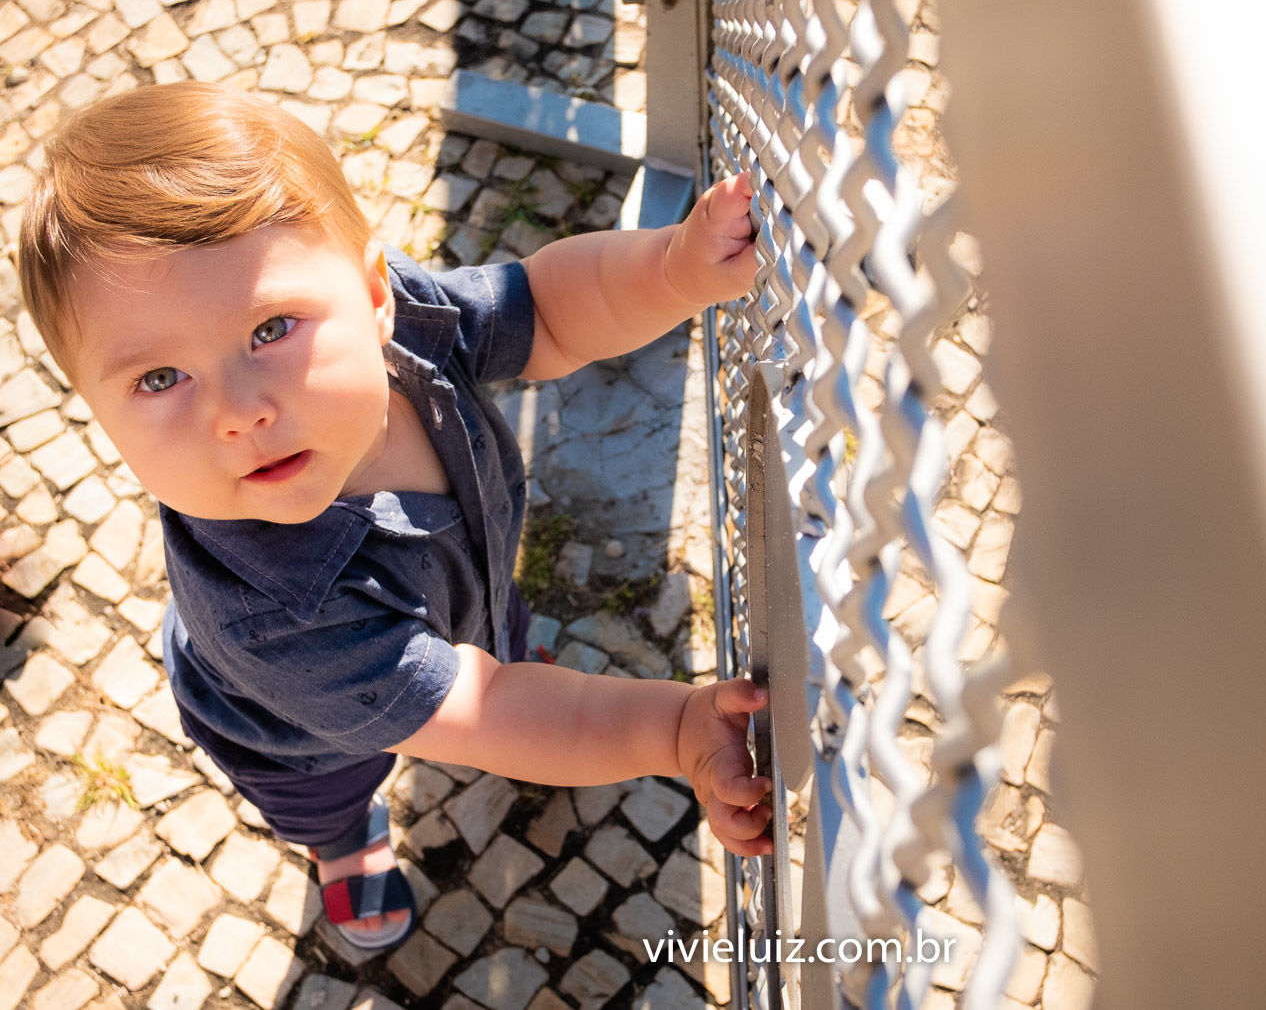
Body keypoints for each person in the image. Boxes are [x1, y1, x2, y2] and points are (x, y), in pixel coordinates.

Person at [18, 82, 772, 951]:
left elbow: (550, 310)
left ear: (376, 296)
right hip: (296, 735)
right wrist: (672, 728)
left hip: (468, 574)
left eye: (271, 329)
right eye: (159, 379)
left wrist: (674, 268)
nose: (238, 411)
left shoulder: (406, 328)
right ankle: (339, 847)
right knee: (334, 792)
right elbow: (494, 714)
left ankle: (495, 628)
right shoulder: (279, 622)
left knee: (493, 630)